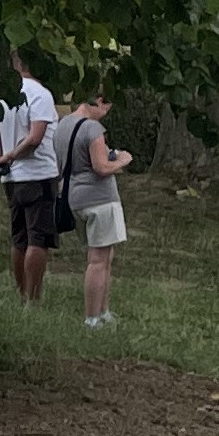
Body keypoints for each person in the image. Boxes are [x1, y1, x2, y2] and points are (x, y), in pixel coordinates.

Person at [0, 54, 63, 303]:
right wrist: (13, 155)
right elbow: (36, 137)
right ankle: (33, 298)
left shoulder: (6, 94)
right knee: (38, 238)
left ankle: (21, 292)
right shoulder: (40, 94)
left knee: (19, 238)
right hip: (38, 174)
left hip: (12, 178)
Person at [61, 96, 134, 323]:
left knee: (103, 256)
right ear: (98, 101)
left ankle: (103, 311)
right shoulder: (93, 129)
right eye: (107, 105)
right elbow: (101, 167)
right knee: (98, 261)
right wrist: (122, 160)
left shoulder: (63, 124)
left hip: (73, 196)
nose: (107, 111)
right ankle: (92, 317)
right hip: (99, 199)